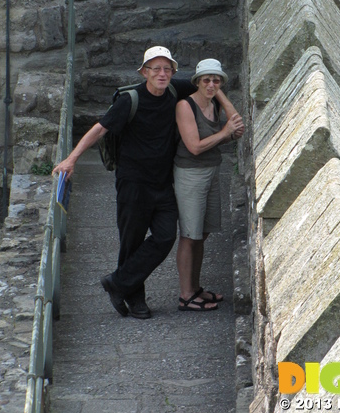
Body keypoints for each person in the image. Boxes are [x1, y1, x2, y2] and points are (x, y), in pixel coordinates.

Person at [53, 46, 238, 320]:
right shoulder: (130, 100)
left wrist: (219, 89)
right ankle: (135, 298)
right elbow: (100, 128)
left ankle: (117, 283)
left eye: (167, 69)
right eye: (155, 69)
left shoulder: (175, 88)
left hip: (162, 183)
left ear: (173, 72)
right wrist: (71, 159)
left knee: (165, 236)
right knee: (132, 241)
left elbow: (207, 82)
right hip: (133, 183)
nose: (162, 74)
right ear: (144, 72)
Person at [174, 59, 244, 311]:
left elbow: (238, 126)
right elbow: (194, 147)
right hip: (191, 174)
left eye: (216, 80)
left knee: (202, 234)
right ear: (196, 81)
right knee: (189, 234)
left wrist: (219, 95)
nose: (211, 84)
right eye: (206, 80)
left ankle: (195, 288)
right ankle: (185, 295)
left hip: (212, 171)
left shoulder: (214, 102)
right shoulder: (185, 106)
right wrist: (225, 133)